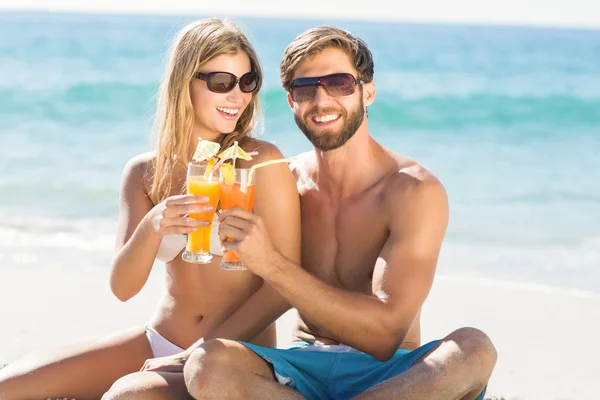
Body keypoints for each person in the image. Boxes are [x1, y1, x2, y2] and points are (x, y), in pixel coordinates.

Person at [182, 26, 497, 400]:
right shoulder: (281, 183)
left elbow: (385, 336)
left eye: (339, 83)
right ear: (291, 102)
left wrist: (272, 265)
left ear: (368, 92)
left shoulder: (412, 190)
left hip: (393, 376)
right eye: (306, 89)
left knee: (473, 349)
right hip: (300, 370)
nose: (322, 99)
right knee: (206, 365)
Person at [0, 18, 300, 399]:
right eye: (223, 82)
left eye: (248, 82)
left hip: (233, 356)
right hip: (160, 339)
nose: (238, 96)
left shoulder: (260, 162)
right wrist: (152, 227)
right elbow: (123, 288)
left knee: (128, 395)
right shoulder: (145, 172)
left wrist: (194, 354)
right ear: (184, 82)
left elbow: (283, 287)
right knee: (9, 385)